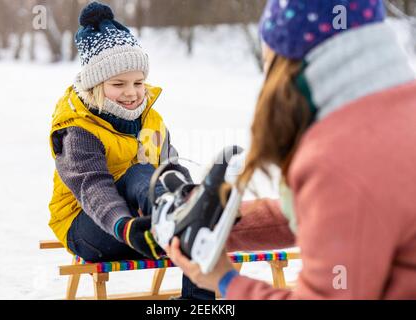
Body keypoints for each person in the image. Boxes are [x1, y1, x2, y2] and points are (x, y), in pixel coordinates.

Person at [166, 0, 416, 299]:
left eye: (268, 62)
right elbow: (322, 213)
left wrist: (227, 281)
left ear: (288, 62)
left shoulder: (337, 158)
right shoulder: (396, 112)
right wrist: (220, 225)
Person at [48, 1, 214, 300]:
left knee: (158, 179)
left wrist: (187, 192)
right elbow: (93, 187)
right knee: (139, 173)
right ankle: (173, 215)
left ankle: (196, 295)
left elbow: (169, 167)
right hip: (88, 225)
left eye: (138, 82)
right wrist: (124, 225)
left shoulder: (150, 118)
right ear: (95, 85)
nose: (132, 92)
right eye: (118, 83)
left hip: (144, 221)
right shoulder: (78, 127)